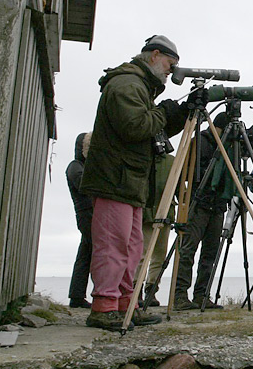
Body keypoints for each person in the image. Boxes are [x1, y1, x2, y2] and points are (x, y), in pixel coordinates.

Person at [79, 35, 194, 331]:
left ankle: (124, 304)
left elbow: (150, 130)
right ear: (155, 55)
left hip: (128, 181)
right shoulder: (127, 84)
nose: (171, 71)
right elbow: (135, 126)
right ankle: (104, 306)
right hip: (115, 179)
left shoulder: (139, 86)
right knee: (113, 245)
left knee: (131, 246)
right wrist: (164, 111)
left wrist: (179, 115)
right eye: (170, 64)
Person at [174, 112, 231, 311]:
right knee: (188, 249)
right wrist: (181, 199)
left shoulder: (228, 146)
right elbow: (183, 170)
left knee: (210, 252)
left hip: (217, 205)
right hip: (198, 203)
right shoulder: (199, 141)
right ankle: (180, 295)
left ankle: (201, 295)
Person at [135, 152, 176, 307]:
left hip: (165, 211)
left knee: (159, 255)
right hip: (146, 211)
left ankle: (151, 289)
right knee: (142, 254)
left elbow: (179, 187)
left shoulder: (172, 161)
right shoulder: (143, 156)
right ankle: (135, 289)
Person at [66, 132, 93, 308]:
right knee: (91, 253)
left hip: (89, 213)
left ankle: (76, 296)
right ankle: (79, 295)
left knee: (86, 253)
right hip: (86, 214)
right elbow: (84, 185)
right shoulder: (75, 166)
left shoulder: (79, 166)